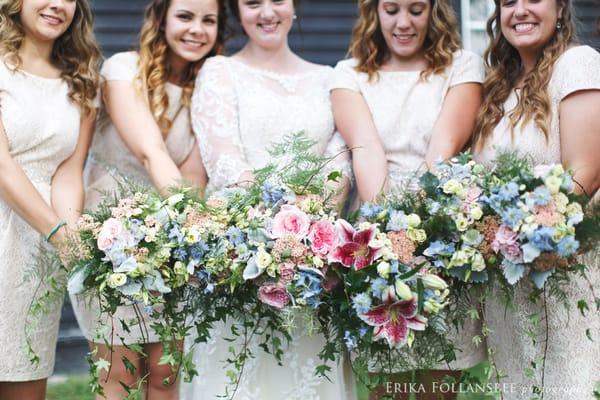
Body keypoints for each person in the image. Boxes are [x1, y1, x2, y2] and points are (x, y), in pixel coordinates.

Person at [179, 0, 355, 399]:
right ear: (237, 11)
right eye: (252, 2)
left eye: (278, 1)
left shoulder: (329, 79)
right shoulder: (220, 71)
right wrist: (271, 234)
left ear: (295, 7)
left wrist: (306, 234)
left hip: (312, 262)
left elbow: (340, 163)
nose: (267, 13)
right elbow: (224, 158)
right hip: (239, 258)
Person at [68, 0, 226, 398]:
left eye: (209, 21)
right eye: (185, 17)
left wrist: (187, 242)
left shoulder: (208, 89)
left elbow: (192, 179)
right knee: (119, 374)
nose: (197, 30)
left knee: (164, 374)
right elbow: (150, 151)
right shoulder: (123, 70)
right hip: (110, 241)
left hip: (171, 244)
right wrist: (200, 227)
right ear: (161, 19)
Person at [329, 0, 486, 398]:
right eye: (392, 9)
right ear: (374, 12)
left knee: (439, 379)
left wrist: (420, 233)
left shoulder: (462, 65)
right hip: (376, 232)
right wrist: (390, 240)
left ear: (433, 11)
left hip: (440, 229)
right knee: (388, 380)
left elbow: (444, 149)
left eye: (416, 10)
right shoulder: (349, 74)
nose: (403, 23)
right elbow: (365, 150)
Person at [471, 0, 600, 398]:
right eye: (508, 2)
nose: (520, 11)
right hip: (504, 283)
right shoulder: (497, 87)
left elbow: (586, 172)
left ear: (561, 9)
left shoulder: (577, 65)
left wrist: (528, 233)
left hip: (561, 271)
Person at [0, 0, 100, 399]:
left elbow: (68, 172)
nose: (58, 4)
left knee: (23, 375)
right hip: (39, 228)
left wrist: (74, 241)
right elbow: (3, 166)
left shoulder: (82, 83)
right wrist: (60, 233)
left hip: (37, 249)